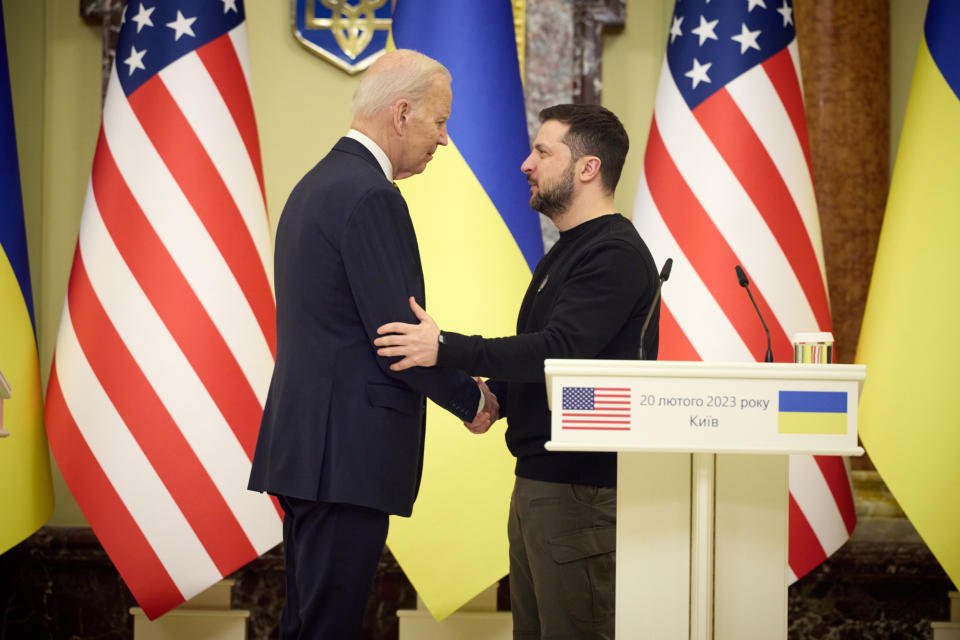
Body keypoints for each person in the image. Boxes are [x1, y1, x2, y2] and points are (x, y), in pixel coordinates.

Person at [374, 104, 661, 639]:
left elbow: (560, 351)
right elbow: (556, 357)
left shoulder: (614, 254)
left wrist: (446, 348)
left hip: (581, 488)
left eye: (543, 152)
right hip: (542, 480)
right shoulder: (569, 251)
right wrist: (496, 397)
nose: (526, 164)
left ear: (587, 168)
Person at [247, 49, 497, 640]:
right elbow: (400, 339)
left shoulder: (316, 184)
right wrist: (472, 398)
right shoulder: (372, 196)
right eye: (440, 122)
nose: (443, 139)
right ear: (403, 113)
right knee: (326, 626)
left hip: (312, 452)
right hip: (345, 458)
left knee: (307, 622)